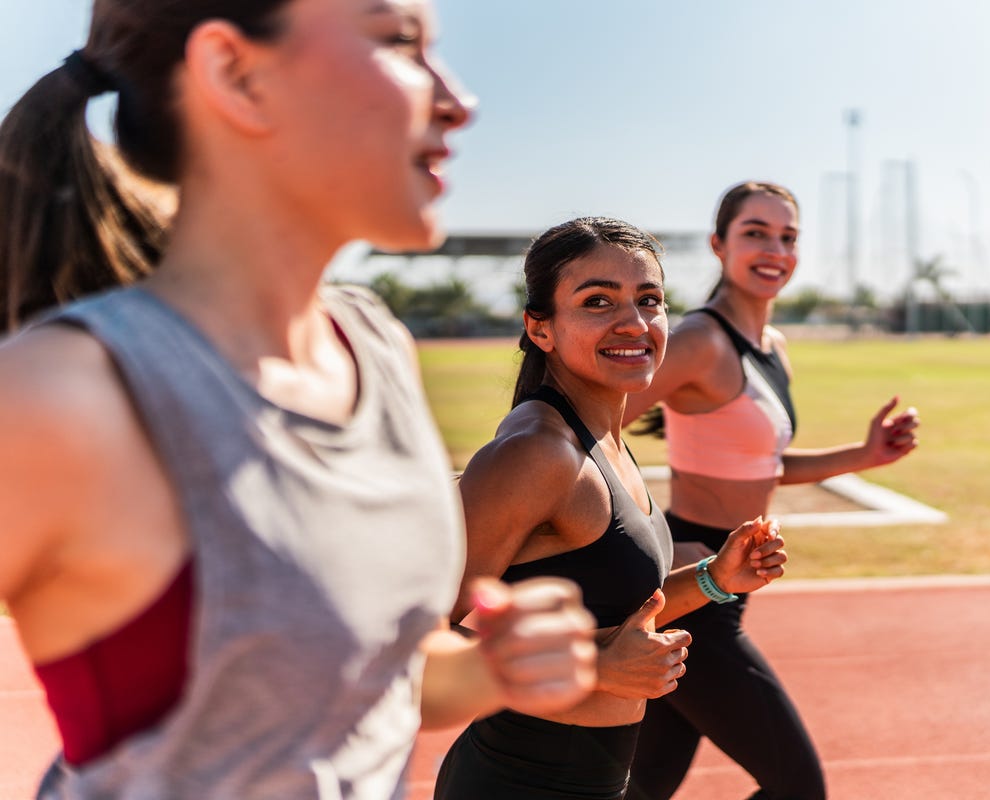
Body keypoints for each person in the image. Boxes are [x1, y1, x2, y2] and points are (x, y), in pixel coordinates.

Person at [0, 1, 597, 797]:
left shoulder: (373, 345)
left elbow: (374, 681)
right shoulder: (68, 394)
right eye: (397, 41)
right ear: (237, 74)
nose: (459, 100)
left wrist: (489, 667)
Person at [432, 217, 790, 800]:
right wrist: (596, 671)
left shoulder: (605, 440)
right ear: (539, 328)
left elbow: (622, 614)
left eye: (649, 300)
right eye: (597, 301)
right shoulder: (539, 453)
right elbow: (408, 641)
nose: (634, 322)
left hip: (597, 779)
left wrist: (715, 579)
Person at [622, 181, 921, 800]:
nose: (774, 248)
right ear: (718, 245)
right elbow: (590, 428)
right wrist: (654, 535)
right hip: (693, 585)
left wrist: (864, 455)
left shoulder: (772, 348)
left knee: (645, 786)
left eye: (787, 237)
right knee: (797, 787)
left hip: (730, 580)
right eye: (754, 232)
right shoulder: (701, 341)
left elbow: (761, 465)